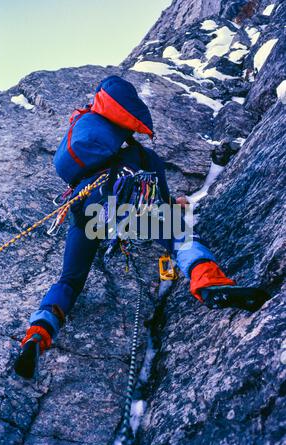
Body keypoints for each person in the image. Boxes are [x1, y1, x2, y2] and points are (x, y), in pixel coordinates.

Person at [14, 76, 269, 379]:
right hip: (124, 215)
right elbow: (159, 204)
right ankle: (208, 281)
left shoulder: (86, 138)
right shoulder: (144, 157)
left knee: (69, 280)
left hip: (84, 213)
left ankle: (37, 334)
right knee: (178, 234)